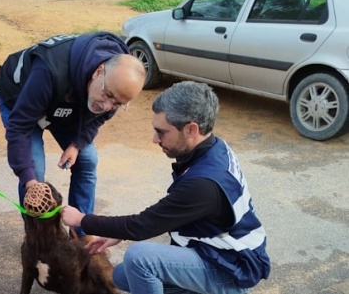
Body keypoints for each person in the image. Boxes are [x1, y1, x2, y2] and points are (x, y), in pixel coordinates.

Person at [61, 81, 271, 294]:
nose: (154, 139)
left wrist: (81, 220)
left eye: (161, 132)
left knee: (140, 259)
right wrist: (120, 234)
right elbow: (164, 214)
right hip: (218, 254)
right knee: (123, 276)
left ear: (191, 129)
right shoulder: (214, 149)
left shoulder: (203, 185)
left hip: (230, 270)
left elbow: (143, 225)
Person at [0, 32, 145, 237]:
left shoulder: (116, 87)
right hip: (21, 98)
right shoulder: (50, 71)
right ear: (99, 71)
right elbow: (19, 127)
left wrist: (76, 144)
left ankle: (81, 231)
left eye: (117, 103)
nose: (107, 106)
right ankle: (38, 237)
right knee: (34, 169)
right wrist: (30, 182)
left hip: (64, 105)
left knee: (87, 159)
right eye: (107, 96)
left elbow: (99, 117)